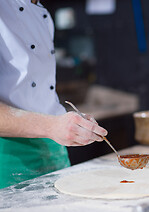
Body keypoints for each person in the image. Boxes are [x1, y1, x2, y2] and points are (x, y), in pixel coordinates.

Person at [0, 0, 108, 189]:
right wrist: (51, 126)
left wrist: (66, 124)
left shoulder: (43, 14)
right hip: (9, 160)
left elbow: (38, 94)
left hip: (54, 153)